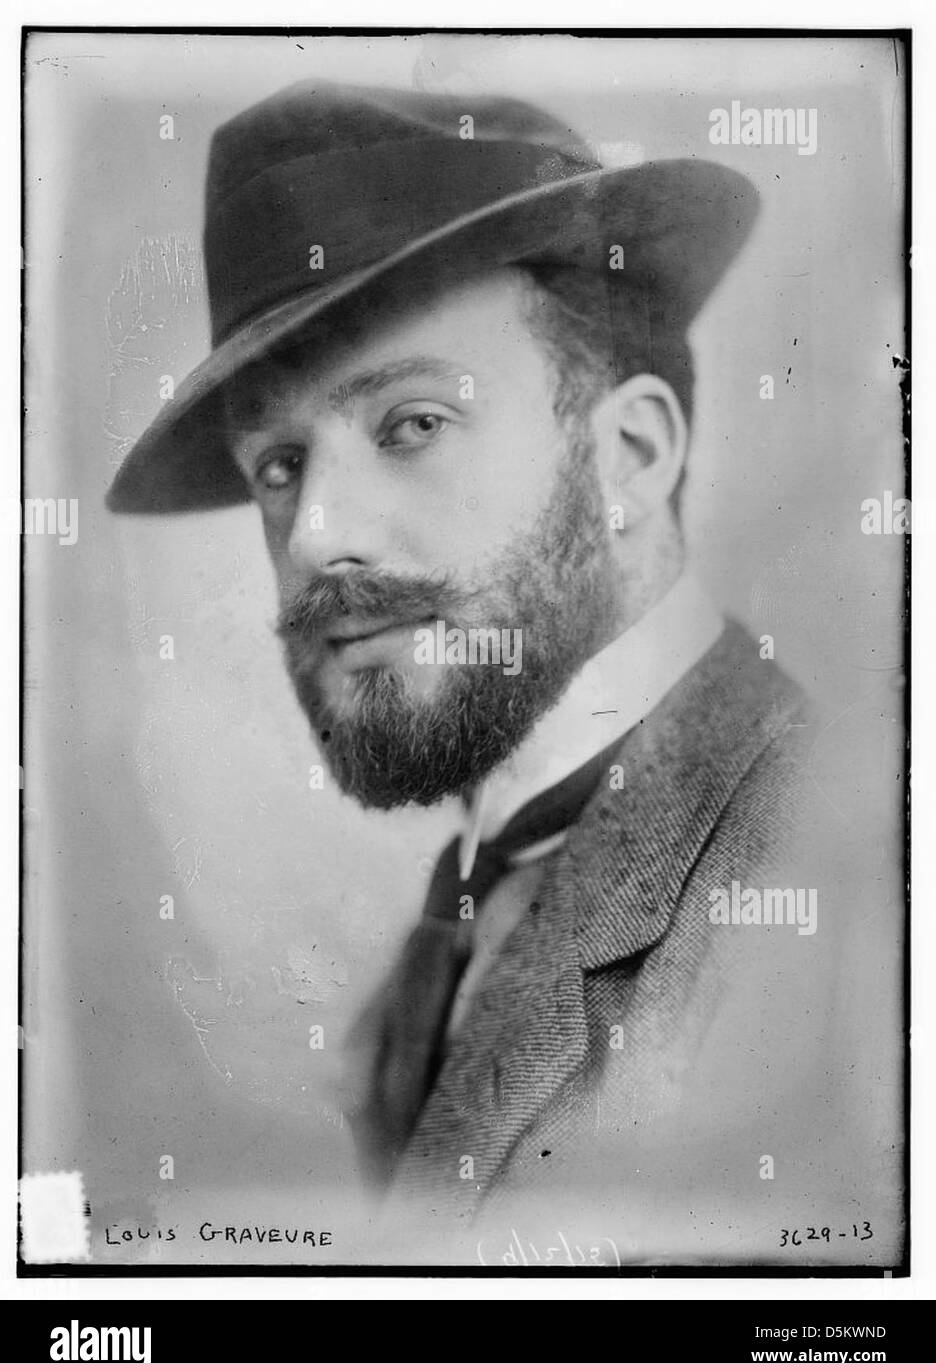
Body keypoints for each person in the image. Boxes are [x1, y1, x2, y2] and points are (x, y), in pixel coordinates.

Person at [107, 80, 898, 1263]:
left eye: (411, 423)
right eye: (279, 463)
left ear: (629, 452)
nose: (316, 532)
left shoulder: (844, 892)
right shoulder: (439, 940)